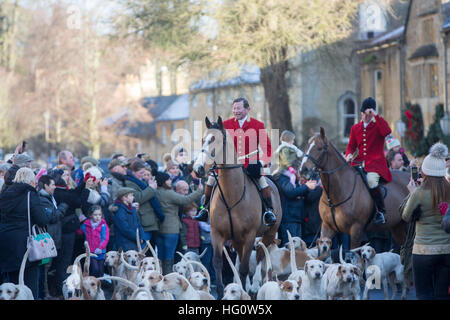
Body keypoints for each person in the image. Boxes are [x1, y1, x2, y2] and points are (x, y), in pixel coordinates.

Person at [194, 97, 275, 226]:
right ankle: (205, 210)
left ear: (247, 109)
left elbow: (268, 150)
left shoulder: (257, 125)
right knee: (210, 180)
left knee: (262, 181)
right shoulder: (225, 125)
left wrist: (261, 162)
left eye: (239, 108)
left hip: (251, 162)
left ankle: (268, 211)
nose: (236, 111)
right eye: (234, 108)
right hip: (228, 164)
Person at [401, 142, 450, 300]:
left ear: (425, 172)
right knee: (442, 295)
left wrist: (411, 193)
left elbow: (406, 216)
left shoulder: (419, 193)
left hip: (423, 250)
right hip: (447, 250)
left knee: (423, 295)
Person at [0, 168, 50, 299]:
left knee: (10, 285)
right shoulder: (30, 194)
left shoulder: (4, 193)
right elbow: (42, 219)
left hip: (5, 243)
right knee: (28, 286)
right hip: (25, 245)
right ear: (31, 181)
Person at [345, 97, 392, 224]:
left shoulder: (378, 126)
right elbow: (351, 146)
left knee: (371, 181)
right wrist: (349, 154)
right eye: (363, 114)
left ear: (371, 114)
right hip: (358, 162)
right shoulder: (355, 128)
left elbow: (387, 131)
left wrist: (376, 116)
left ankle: (381, 212)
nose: (364, 117)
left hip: (375, 164)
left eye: (367, 115)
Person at [50, 166, 91, 297]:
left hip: (65, 230)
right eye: (64, 175)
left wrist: (84, 183)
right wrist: (86, 188)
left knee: (63, 261)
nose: (67, 177)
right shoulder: (60, 193)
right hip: (65, 231)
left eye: (68, 175)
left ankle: (60, 289)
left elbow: (74, 193)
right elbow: (76, 199)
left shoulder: (62, 192)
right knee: (63, 262)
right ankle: (62, 290)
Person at [154, 171, 203, 274]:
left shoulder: (155, 192)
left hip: (158, 229)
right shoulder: (168, 193)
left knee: (160, 256)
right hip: (171, 229)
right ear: (163, 181)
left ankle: (160, 275)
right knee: (169, 256)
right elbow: (185, 200)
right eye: (168, 179)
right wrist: (199, 191)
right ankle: (168, 277)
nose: (170, 181)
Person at [37, 174, 69, 299]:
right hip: (46, 243)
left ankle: (46, 292)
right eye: (52, 184)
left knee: (48, 268)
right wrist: (63, 206)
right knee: (44, 268)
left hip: (52, 241)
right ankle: (44, 294)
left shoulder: (50, 198)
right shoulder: (42, 199)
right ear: (45, 185)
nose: (55, 187)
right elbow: (53, 217)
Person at [275, 159, 317, 246]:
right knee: (290, 247)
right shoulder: (283, 178)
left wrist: (306, 186)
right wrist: (306, 186)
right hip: (288, 219)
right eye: (298, 170)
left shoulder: (295, 181)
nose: (299, 173)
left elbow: (299, 192)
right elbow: (291, 192)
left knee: (297, 247)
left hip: (296, 218)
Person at [124, 160, 165, 243]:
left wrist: (153, 188)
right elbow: (138, 198)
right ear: (133, 172)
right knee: (143, 250)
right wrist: (151, 188)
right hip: (143, 221)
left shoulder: (141, 181)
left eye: (144, 173)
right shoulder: (129, 182)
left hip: (150, 220)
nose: (143, 175)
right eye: (141, 173)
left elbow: (153, 196)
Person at [111, 187, 145, 252]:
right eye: (131, 195)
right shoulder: (119, 211)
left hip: (135, 243)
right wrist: (138, 238)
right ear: (124, 198)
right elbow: (125, 229)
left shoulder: (133, 209)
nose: (133, 197)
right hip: (124, 244)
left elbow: (139, 224)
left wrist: (142, 237)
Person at [80, 205, 109, 278]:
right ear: (90, 215)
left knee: (101, 270)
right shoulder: (86, 225)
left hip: (100, 251)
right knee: (94, 269)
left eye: (99, 215)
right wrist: (79, 222)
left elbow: (105, 238)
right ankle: (92, 283)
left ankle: (99, 285)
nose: (97, 217)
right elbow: (80, 232)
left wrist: (100, 248)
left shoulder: (103, 225)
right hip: (90, 251)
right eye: (95, 215)